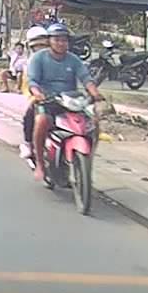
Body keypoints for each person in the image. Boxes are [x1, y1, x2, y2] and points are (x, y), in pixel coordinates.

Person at [27, 23, 103, 181]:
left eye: (64, 40)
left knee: (93, 123)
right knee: (41, 121)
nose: (61, 43)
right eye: (57, 40)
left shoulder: (73, 60)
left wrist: (95, 93)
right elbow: (32, 81)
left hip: (70, 102)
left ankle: (87, 162)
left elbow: (86, 79)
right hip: (48, 101)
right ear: (49, 41)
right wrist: (38, 94)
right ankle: (40, 163)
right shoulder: (38, 58)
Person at [18, 26, 50, 160]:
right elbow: (29, 83)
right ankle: (28, 143)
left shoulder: (56, 58)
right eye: (37, 45)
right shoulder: (29, 63)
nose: (40, 47)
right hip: (36, 96)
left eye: (43, 44)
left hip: (57, 95)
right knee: (30, 114)